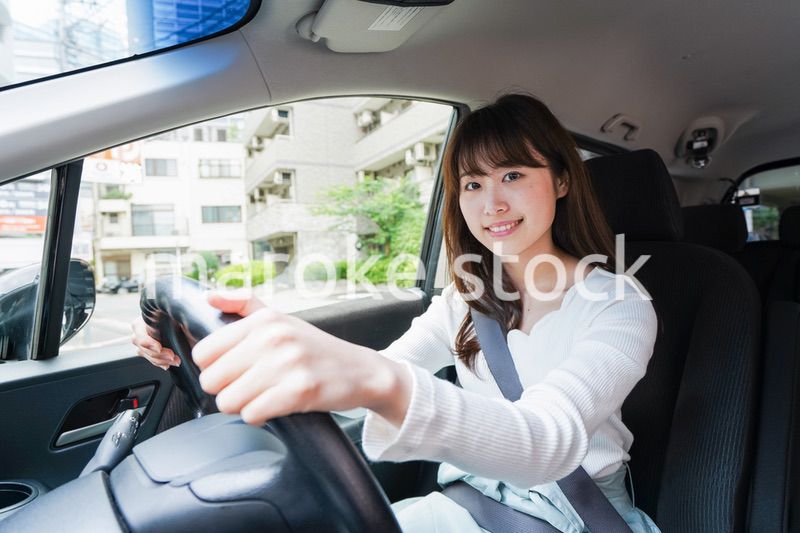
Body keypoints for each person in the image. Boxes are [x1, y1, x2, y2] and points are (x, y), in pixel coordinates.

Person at [132, 93, 659, 532]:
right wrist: (226, 348)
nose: (490, 203)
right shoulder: (465, 297)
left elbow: (547, 441)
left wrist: (380, 381)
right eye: (472, 184)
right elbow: (363, 397)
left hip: (574, 519)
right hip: (463, 508)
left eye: (513, 175)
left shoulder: (620, 305)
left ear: (563, 181)